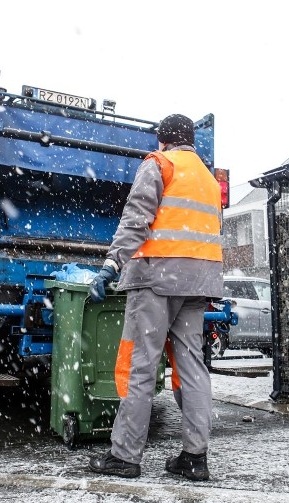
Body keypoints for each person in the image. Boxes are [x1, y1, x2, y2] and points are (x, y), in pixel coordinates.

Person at [87, 113, 224, 481]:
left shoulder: (159, 163)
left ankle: (125, 456)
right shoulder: (209, 179)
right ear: (191, 140)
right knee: (192, 368)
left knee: (141, 365)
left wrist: (111, 265)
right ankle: (195, 457)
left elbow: (137, 219)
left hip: (155, 278)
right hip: (199, 283)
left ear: (162, 140)